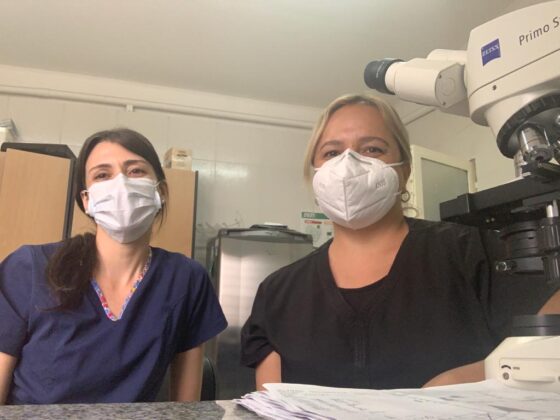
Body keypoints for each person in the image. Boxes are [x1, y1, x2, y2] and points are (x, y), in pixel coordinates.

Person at [240, 93, 560, 390]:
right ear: (314, 176)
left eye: (372, 149)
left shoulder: (473, 253)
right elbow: (273, 405)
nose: (348, 164)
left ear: (404, 170)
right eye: (332, 153)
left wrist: (482, 376)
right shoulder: (277, 293)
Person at [0, 128, 227, 404]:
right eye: (102, 175)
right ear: (87, 200)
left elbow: (185, 409)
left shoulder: (186, 280)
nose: (121, 184)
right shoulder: (30, 268)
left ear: (161, 191)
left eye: (135, 171)